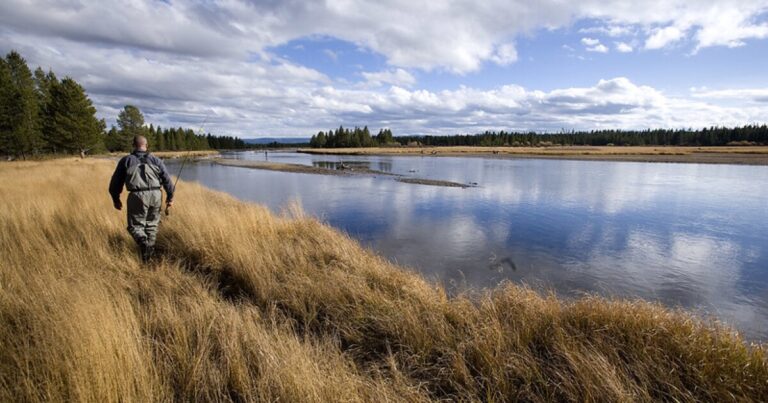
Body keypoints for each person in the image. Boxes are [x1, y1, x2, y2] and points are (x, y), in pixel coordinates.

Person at [109, 135, 175, 263]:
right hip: (156, 195)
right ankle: (148, 257)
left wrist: (116, 199)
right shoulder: (156, 160)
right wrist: (170, 197)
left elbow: (114, 184)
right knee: (152, 225)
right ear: (147, 145)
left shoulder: (126, 160)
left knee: (135, 226)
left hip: (137, 195)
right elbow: (167, 181)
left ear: (134, 145)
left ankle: (144, 244)